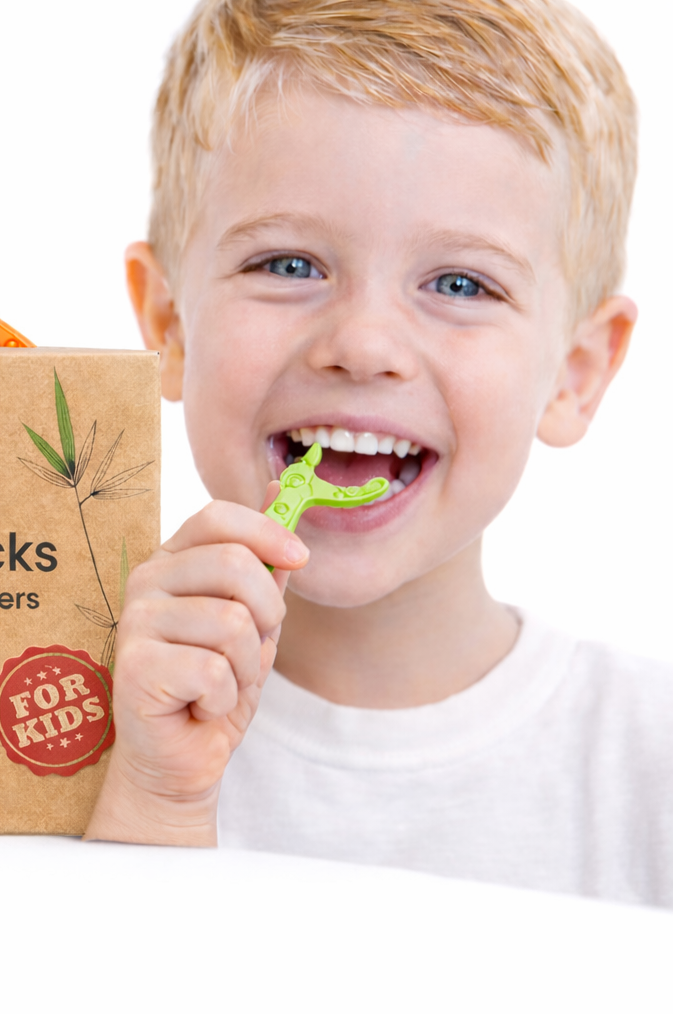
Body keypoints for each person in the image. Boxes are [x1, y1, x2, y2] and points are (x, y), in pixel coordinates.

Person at [84, 0, 672, 907]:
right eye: (288, 265)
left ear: (576, 373)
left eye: (460, 283)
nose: (362, 344)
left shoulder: (646, 763)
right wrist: (157, 802)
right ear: (169, 326)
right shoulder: (69, 721)